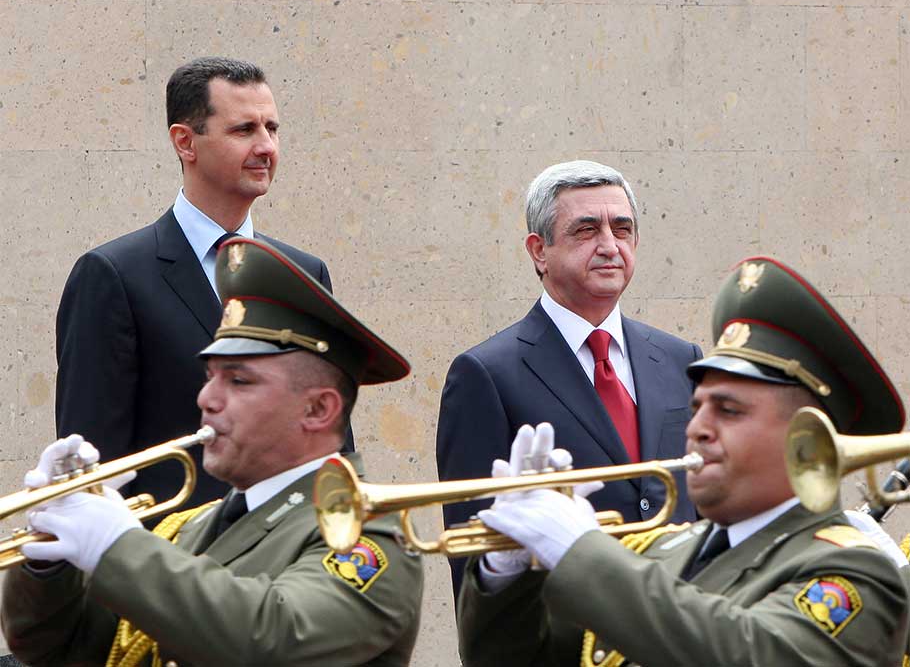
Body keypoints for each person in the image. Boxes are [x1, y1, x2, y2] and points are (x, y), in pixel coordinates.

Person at [457, 256, 910, 667]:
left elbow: (750, 653)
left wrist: (578, 547)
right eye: (696, 409)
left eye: (728, 411)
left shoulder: (855, 576)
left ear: (807, 440)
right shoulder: (657, 552)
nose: (697, 429)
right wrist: (507, 573)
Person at [3, 238, 422, 667]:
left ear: (318, 408)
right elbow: (59, 650)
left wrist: (115, 544)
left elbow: (273, 641)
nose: (206, 398)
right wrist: (49, 560)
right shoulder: (191, 528)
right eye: (210, 377)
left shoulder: (367, 538)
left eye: (238, 381)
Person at [55, 56, 350, 514]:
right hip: (168, 571)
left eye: (272, 128)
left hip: (292, 569)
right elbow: (95, 466)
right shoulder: (112, 275)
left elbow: (330, 438)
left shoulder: (305, 272)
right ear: (185, 142)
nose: (266, 146)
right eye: (244, 130)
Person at [436, 160, 701, 593]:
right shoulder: (484, 374)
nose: (610, 246)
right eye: (586, 230)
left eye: (622, 228)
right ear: (540, 251)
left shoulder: (680, 358)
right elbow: (474, 567)